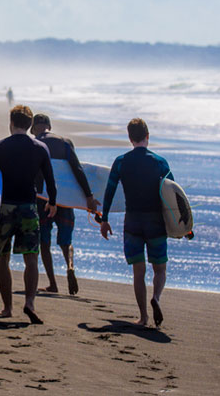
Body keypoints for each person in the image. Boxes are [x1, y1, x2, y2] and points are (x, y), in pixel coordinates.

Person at [0, 105, 56, 324]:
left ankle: (7, 308)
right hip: (29, 208)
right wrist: (53, 202)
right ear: (30, 125)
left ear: (11, 123)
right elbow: (50, 179)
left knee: (3, 258)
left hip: (4, 209)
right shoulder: (40, 148)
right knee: (31, 258)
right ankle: (29, 302)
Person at [99, 118, 173, 327]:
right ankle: (156, 298)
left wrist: (104, 220)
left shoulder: (121, 162)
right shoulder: (160, 162)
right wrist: (181, 225)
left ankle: (143, 317)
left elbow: (110, 191)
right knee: (160, 269)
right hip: (155, 221)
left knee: (138, 272)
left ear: (130, 138)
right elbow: (173, 196)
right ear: (147, 136)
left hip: (132, 221)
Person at [30, 113, 99, 295]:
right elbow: (77, 169)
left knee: (44, 242)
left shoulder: (34, 145)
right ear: (49, 126)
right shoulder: (65, 142)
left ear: (34, 128)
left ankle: (53, 283)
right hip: (65, 199)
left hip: (42, 199)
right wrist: (89, 196)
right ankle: (70, 266)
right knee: (66, 241)